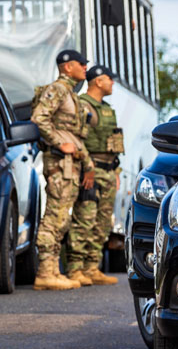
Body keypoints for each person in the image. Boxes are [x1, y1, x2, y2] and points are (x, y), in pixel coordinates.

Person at [30, 49, 96, 291]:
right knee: (54, 217)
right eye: (81, 63)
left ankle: (54, 271)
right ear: (67, 66)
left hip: (70, 164)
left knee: (62, 218)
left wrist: (86, 163)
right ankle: (45, 272)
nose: (85, 68)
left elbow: (75, 136)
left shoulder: (70, 93)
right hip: (59, 163)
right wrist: (59, 143)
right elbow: (39, 118)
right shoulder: (57, 89)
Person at [66, 65, 123, 286]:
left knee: (102, 223)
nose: (112, 83)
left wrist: (116, 170)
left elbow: (113, 143)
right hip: (89, 170)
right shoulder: (82, 106)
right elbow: (78, 139)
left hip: (108, 171)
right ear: (98, 81)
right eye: (110, 79)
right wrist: (86, 167)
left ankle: (92, 267)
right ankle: (75, 268)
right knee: (84, 220)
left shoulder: (107, 108)